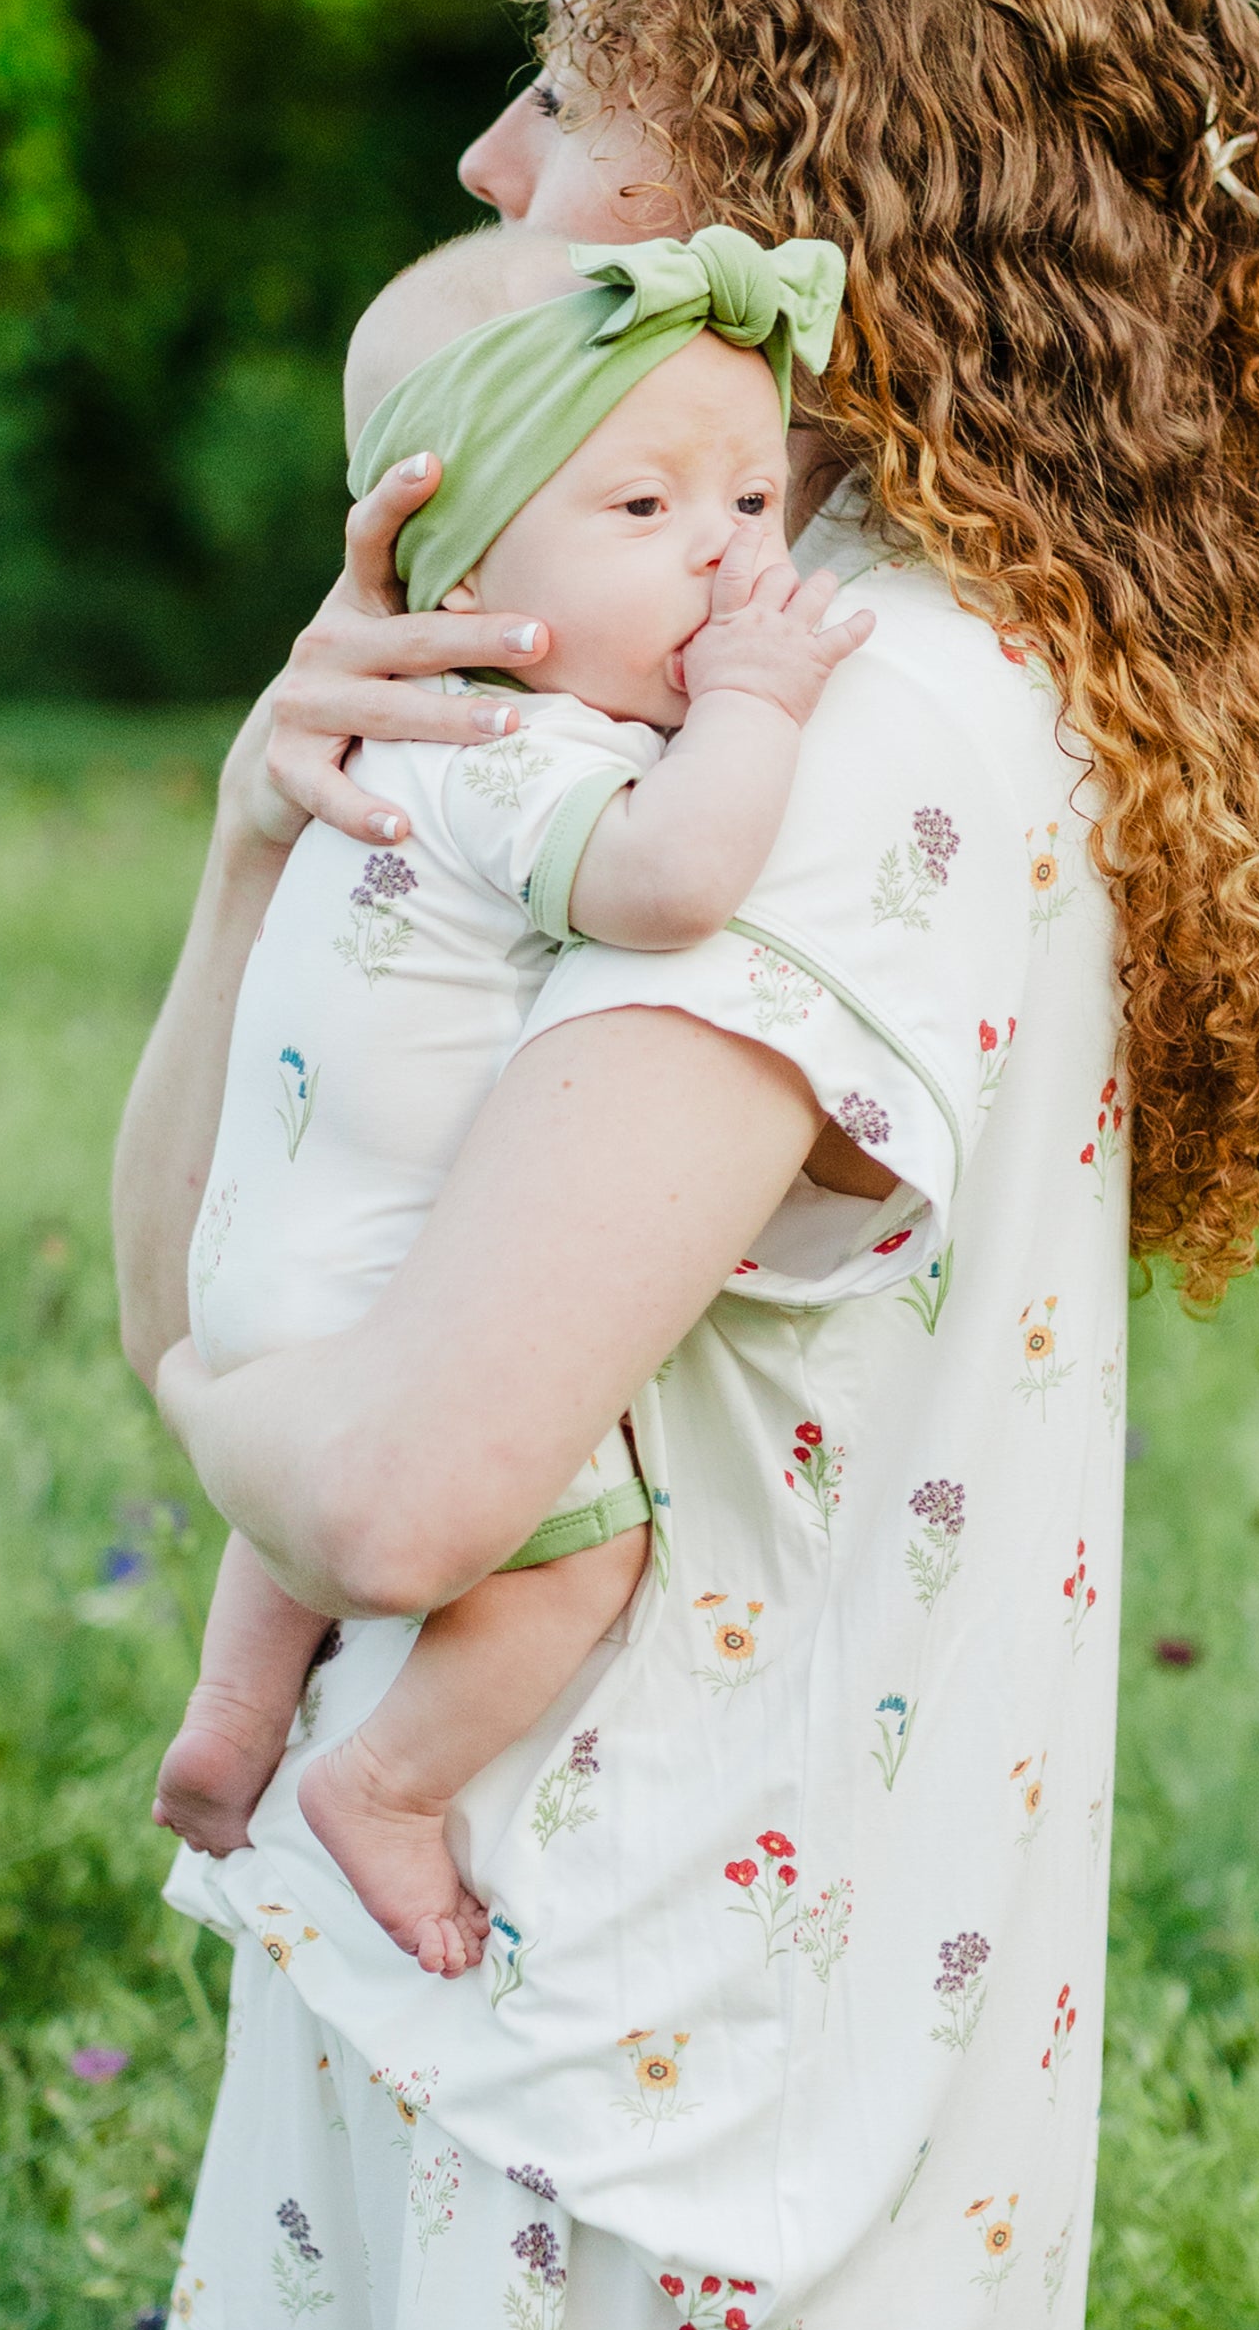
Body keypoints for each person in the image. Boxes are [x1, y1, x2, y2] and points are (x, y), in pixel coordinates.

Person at [110, 0, 1259, 2330]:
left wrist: (231, 1416)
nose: (484, 168)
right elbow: (216, 1286)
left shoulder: (862, 727)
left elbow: (400, 1473)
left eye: (566, 98)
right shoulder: (648, 699)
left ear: (781, 219)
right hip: (460, 1990)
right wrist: (255, 843)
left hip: (650, 2088)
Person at [154, 221, 874, 1978]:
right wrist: (760, 707)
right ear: (468, 579)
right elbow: (672, 882)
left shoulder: (392, 738)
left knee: (297, 1476)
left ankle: (235, 1716)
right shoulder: (514, 757)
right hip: (380, 1290)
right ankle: (387, 1788)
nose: (719, 551)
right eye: (644, 513)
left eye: (753, 505)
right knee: (574, 1565)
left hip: (277, 1266)